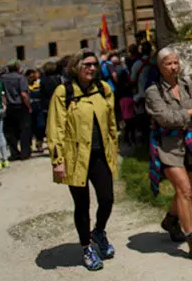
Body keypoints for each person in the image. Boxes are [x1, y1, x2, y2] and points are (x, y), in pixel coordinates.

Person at [47, 50, 118, 272]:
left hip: (99, 156)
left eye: (94, 64)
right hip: (75, 157)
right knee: (82, 205)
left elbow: (112, 123)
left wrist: (113, 150)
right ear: (76, 67)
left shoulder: (103, 89)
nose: (92, 68)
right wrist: (57, 160)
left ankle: (99, 231)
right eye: (87, 64)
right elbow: (55, 127)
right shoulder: (64, 92)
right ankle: (86, 246)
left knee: (107, 199)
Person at [146, 48, 192, 263]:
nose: (174, 67)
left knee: (187, 189)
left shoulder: (186, 85)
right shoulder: (153, 92)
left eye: (176, 63)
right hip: (168, 148)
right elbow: (166, 118)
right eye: (168, 64)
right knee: (184, 190)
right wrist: (190, 112)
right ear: (160, 67)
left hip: (190, 144)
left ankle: (171, 220)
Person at [0, 61, 32, 161]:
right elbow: (23, 94)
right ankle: (25, 152)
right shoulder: (21, 78)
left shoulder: (3, 78)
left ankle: (14, 153)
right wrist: (29, 106)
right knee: (24, 130)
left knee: (11, 132)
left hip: (10, 106)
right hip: (21, 105)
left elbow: (3, 94)